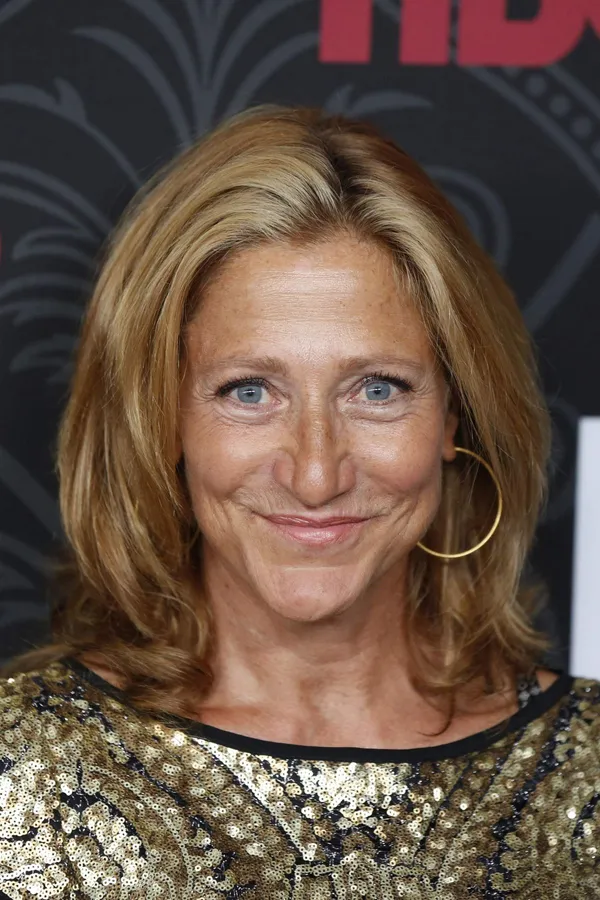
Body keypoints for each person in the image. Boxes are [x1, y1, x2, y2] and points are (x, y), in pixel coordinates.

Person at [0, 105, 598, 899]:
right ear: (162, 419)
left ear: (454, 416)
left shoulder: (588, 771)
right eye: (249, 391)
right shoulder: (21, 771)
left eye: (377, 389)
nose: (316, 475)